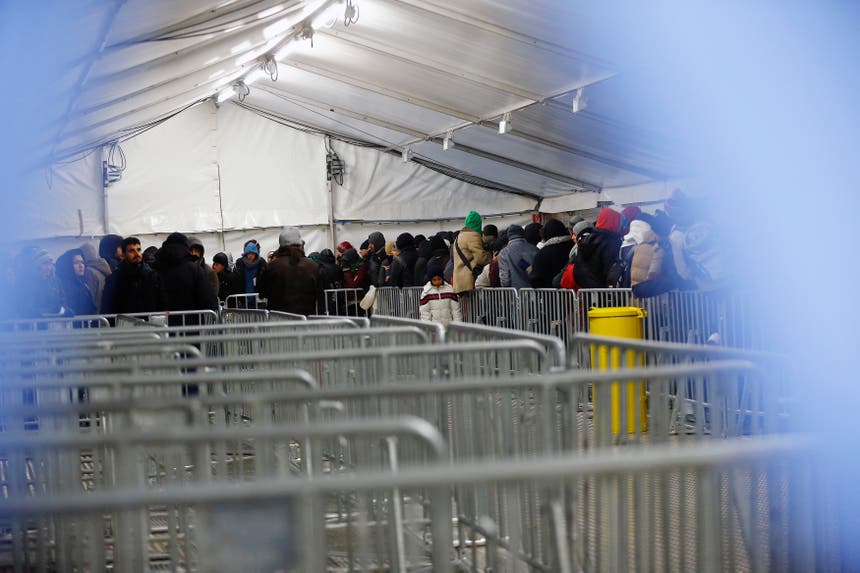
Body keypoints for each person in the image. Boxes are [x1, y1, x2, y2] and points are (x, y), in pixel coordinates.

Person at [258, 227, 322, 316]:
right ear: (300, 244)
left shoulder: (272, 266)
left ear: (281, 245)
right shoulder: (313, 266)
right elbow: (321, 294)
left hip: (278, 321)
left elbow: (262, 293)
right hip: (306, 321)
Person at [155, 233, 219, 313]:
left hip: (163, 322)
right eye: (193, 250)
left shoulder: (156, 268)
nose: (196, 254)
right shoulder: (196, 270)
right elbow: (209, 301)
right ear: (187, 248)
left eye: (198, 251)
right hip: (192, 321)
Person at [101, 236, 162, 314]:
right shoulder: (114, 279)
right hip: (124, 323)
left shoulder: (152, 276)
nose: (137, 254)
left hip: (149, 322)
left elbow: (161, 301)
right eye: (131, 251)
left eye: (139, 250)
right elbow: (107, 306)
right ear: (123, 254)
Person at [573, 208, 623, 288]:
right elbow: (609, 268)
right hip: (605, 292)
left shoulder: (587, 239)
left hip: (587, 290)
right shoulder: (611, 242)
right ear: (614, 222)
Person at [14, 247, 63, 317]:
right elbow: (25, 307)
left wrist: (64, 310)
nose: (48, 268)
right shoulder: (27, 283)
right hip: (35, 325)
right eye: (45, 264)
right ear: (37, 265)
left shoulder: (56, 281)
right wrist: (47, 311)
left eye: (50, 264)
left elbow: (62, 300)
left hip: (55, 324)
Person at [452, 211, 491, 293]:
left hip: (459, 281)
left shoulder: (459, 237)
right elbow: (480, 258)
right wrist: (491, 259)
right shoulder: (473, 235)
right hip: (469, 280)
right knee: (477, 305)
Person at [530, 218, 572, 288]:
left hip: (550, 296)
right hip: (573, 294)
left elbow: (535, 279)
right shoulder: (572, 247)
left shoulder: (543, 253)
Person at [55, 249, 96, 315]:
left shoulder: (83, 285)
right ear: (68, 265)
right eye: (76, 263)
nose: (81, 266)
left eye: (82, 262)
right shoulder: (64, 286)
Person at [499, 224, 538, 289]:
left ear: (508, 236)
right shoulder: (535, 249)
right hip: (535, 292)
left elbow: (505, 280)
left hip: (515, 293)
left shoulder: (504, 253)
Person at [232, 240, 267, 305]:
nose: (250, 256)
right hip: (243, 297)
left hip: (258, 298)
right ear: (246, 254)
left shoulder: (261, 263)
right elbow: (236, 280)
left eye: (252, 254)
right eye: (249, 253)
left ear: (256, 254)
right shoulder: (239, 263)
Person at [80, 242, 112, 313]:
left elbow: (91, 295)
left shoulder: (89, 271)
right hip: (104, 309)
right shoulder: (102, 267)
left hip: (97, 312)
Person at [340, 247, 370, 314]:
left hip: (359, 302)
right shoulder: (350, 269)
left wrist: (346, 272)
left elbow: (353, 284)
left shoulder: (361, 267)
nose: (344, 263)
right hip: (349, 301)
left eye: (346, 261)